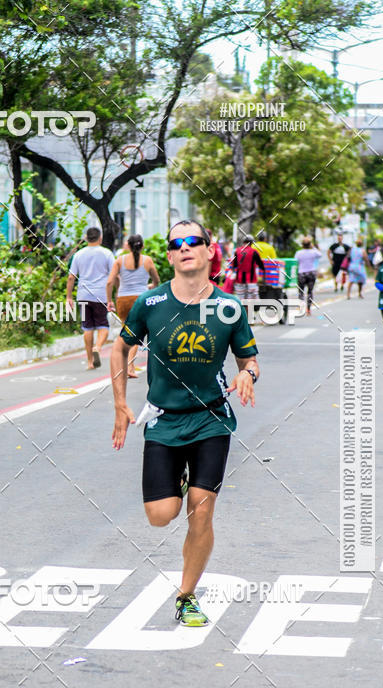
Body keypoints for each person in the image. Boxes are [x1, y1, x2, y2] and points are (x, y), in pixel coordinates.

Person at [110, 219, 259, 626]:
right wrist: (121, 404)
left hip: (211, 419)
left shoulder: (228, 307)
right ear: (171, 256)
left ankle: (186, 596)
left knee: (202, 508)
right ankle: (176, 483)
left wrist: (247, 373)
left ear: (211, 251)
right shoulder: (150, 305)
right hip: (163, 420)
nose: (185, 247)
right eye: (176, 244)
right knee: (160, 515)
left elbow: (249, 358)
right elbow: (119, 349)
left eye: (194, 241)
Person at [105, 234, 159, 378]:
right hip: (141, 299)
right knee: (137, 334)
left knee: (126, 331)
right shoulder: (147, 261)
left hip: (123, 300)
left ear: (128, 245)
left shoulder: (119, 261)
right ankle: (130, 366)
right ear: (142, 246)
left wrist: (109, 300)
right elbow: (156, 281)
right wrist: (149, 287)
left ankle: (121, 365)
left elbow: (110, 282)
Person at [66, 227, 115, 369]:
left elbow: (71, 277)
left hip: (83, 295)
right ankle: (98, 347)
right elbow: (112, 277)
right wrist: (111, 298)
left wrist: (69, 296)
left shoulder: (79, 254)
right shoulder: (107, 253)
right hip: (101, 295)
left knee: (87, 328)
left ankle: (89, 362)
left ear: (86, 238)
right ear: (100, 238)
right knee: (103, 326)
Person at [231, 233, 264, 307]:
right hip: (251, 282)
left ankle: (241, 317)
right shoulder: (254, 252)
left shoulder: (237, 251)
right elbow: (261, 265)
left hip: (239, 281)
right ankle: (248, 317)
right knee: (249, 303)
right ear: (251, 243)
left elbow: (234, 265)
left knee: (241, 302)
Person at [295, 236, 321, 315]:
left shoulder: (299, 253)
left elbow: (295, 262)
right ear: (310, 245)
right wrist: (313, 247)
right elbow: (320, 255)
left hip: (301, 274)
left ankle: (301, 308)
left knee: (301, 292)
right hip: (311, 273)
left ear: (302, 245)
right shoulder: (313, 252)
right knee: (310, 292)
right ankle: (308, 309)